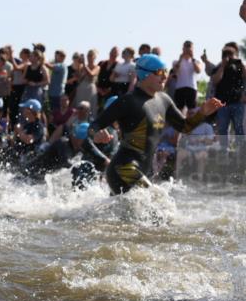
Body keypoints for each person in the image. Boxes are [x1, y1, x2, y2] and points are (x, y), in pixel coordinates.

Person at [85, 54, 225, 195]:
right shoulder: (127, 101)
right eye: (159, 72)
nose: (165, 76)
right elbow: (94, 126)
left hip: (143, 169)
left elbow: (185, 127)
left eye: (166, 71)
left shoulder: (164, 99)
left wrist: (202, 112)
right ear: (144, 74)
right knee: (157, 199)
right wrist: (96, 134)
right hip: (123, 168)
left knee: (127, 214)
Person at [210, 43, 244, 148]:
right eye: (225, 54)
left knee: (239, 130)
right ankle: (224, 155)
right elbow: (215, 80)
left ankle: (241, 155)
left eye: (231, 54)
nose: (228, 56)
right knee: (223, 131)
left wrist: (240, 63)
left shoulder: (238, 66)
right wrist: (223, 66)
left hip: (237, 103)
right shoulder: (219, 67)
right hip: (222, 104)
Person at [171, 40, 203, 113]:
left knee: (191, 110)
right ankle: (179, 124)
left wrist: (192, 59)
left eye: (189, 47)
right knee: (179, 110)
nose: (188, 49)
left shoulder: (196, 61)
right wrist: (180, 58)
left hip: (192, 88)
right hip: (179, 88)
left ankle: (190, 124)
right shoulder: (176, 61)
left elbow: (198, 71)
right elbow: (174, 71)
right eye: (186, 47)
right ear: (183, 49)